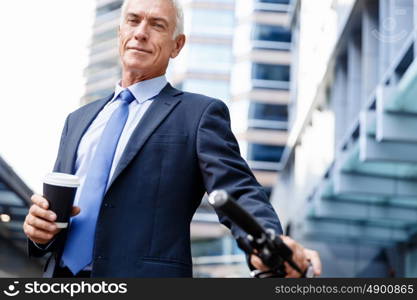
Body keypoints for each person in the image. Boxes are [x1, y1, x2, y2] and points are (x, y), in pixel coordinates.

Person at [24, 0, 321, 278]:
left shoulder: (199, 114)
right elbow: (56, 211)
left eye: (157, 25)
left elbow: (238, 190)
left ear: (177, 45)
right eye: (133, 21)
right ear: (120, 33)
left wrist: (271, 242)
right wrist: (39, 233)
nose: (141, 33)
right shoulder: (77, 120)